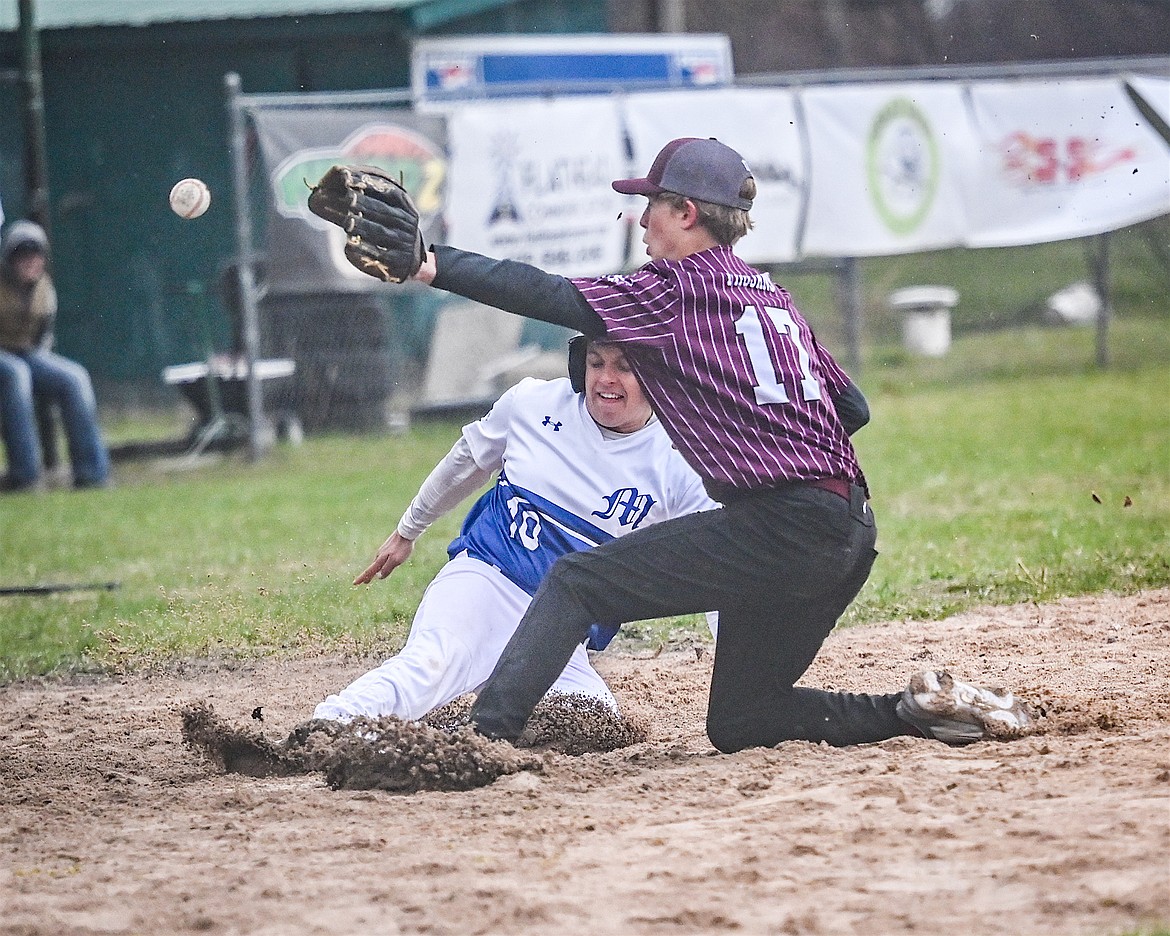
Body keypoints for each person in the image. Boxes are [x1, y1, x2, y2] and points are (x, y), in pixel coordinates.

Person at [353, 136, 1032, 752]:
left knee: (577, 582)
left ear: (685, 213)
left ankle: (483, 740)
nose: (641, 219)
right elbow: (849, 405)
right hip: (849, 529)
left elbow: (551, 294)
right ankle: (915, 712)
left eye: (650, 205)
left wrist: (429, 263)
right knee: (742, 720)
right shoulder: (772, 296)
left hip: (782, 526)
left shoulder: (673, 291)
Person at [311, 336, 718, 724]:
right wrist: (408, 530)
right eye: (596, 363)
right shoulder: (533, 403)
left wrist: (736, 661)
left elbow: (716, 565)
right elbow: (467, 461)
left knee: (589, 717)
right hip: (485, 582)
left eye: (624, 367)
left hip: (557, 625)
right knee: (432, 664)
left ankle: (460, 735)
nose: (605, 380)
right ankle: (332, 724)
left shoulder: (682, 458)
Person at [0, 220, 111, 491]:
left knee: (74, 377)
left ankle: (91, 473)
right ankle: (25, 475)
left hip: (26, 353)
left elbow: (42, 339)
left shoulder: (44, 289)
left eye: (35, 254)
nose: (29, 261)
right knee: (17, 374)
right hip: (5, 358)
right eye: (21, 255)